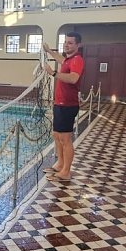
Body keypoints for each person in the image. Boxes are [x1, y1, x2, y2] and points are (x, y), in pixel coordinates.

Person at [42, 32, 85, 182]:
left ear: (78, 45)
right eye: (65, 42)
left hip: (68, 105)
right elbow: (61, 60)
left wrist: (53, 73)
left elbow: (73, 78)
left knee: (65, 138)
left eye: (70, 43)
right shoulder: (68, 59)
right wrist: (49, 51)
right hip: (59, 103)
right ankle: (60, 164)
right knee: (57, 135)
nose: (66, 45)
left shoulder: (77, 60)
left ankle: (66, 172)